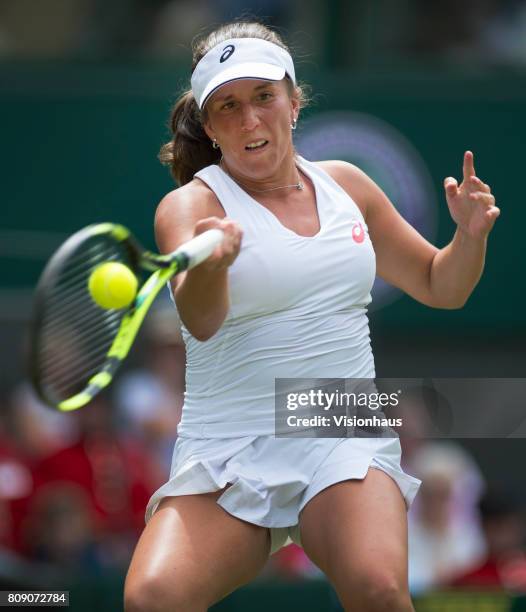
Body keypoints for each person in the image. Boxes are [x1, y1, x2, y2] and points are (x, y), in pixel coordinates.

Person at [124, 21, 500, 612]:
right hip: (229, 441)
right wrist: (214, 264)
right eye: (227, 106)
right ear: (209, 126)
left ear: (293, 103)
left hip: (339, 419)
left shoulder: (347, 184)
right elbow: (200, 320)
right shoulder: (189, 206)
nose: (249, 120)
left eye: (263, 97)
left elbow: (438, 284)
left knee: (378, 591)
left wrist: (469, 239)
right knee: (153, 598)